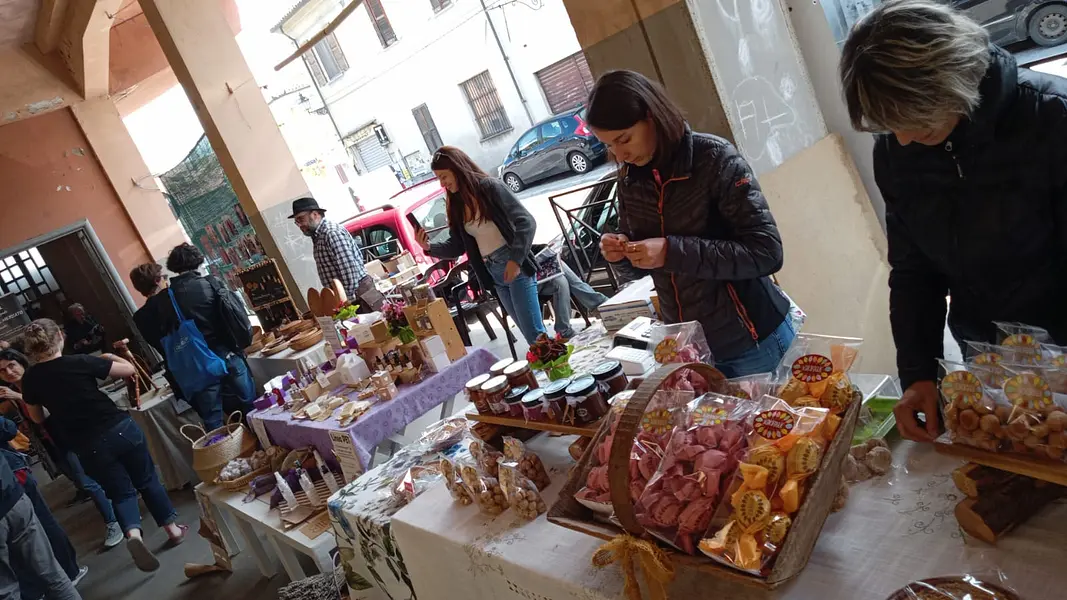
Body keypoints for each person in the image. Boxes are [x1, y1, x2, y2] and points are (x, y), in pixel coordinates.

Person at [838, 0, 1067, 442]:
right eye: (891, 125)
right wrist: (919, 373)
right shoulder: (897, 151)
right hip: (986, 355)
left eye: (913, 120)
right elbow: (913, 270)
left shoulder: (1052, 119)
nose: (901, 138)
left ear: (954, 81)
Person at [586, 70, 794, 377]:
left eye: (624, 139)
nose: (620, 154)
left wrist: (671, 251)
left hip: (751, 340)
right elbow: (645, 267)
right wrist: (622, 252)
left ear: (651, 116)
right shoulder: (631, 179)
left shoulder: (714, 158)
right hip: (691, 347)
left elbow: (766, 252)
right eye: (609, 146)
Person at [19, 319, 187, 573]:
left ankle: (133, 535)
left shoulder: (31, 379)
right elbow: (129, 369)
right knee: (147, 480)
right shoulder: (79, 361)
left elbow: (37, 417)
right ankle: (173, 530)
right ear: (60, 338)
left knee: (120, 493)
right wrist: (110, 356)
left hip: (86, 443)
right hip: (118, 428)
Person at [416, 147, 548, 344]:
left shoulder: (490, 187)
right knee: (532, 336)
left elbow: (526, 222)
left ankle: (559, 370)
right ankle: (556, 370)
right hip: (493, 273)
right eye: (439, 178)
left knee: (535, 336)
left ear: (457, 168)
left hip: (513, 266)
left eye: (444, 176)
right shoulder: (456, 203)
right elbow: (457, 246)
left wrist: (516, 260)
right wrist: (429, 248)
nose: (442, 183)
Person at [0, 349, 122, 550]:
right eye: (3, 371)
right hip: (52, 443)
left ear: (22, 363)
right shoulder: (16, 392)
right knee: (83, 480)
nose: (9, 372)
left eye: (12, 366)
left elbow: (50, 410)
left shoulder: (38, 381)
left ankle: (114, 521)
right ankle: (120, 507)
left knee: (87, 481)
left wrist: (19, 397)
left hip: (72, 435)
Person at [143, 244, 255, 431]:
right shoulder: (209, 284)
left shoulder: (163, 299)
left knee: (213, 421)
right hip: (226, 354)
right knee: (251, 404)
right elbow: (235, 318)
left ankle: (227, 456)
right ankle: (269, 449)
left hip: (197, 365)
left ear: (173, 267)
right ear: (198, 260)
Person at [0, 417, 88, 597]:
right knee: (52, 572)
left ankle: (34, 591)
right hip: (12, 491)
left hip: (12, 491)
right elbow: (8, 429)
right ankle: (68, 572)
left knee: (8, 590)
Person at [290, 197, 385, 311]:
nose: (300, 225)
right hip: (352, 298)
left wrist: (346, 303)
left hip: (360, 297)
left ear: (315, 214)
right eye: (297, 222)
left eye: (301, 219)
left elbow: (349, 270)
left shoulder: (331, 233)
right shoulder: (318, 235)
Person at [129, 263, 186, 405]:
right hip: (199, 357)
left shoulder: (139, 317)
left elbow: (155, 343)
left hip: (177, 370)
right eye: (163, 277)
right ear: (156, 280)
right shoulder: (173, 296)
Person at [538, 261, 608, 339]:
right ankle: (601, 306)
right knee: (560, 278)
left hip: (540, 269)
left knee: (559, 274)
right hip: (527, 278)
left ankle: (564, 331)